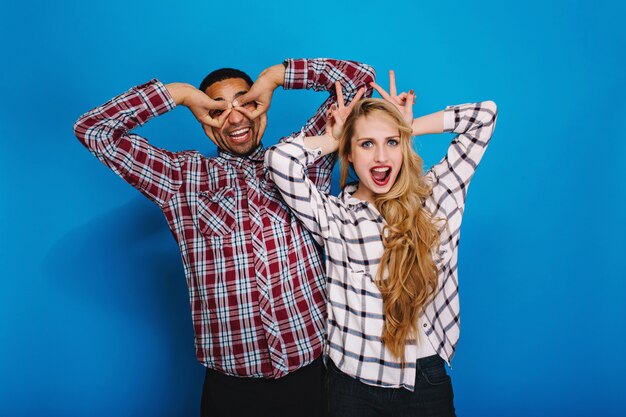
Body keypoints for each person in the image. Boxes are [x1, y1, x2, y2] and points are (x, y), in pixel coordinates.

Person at [73, 58, 375, 417]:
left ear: (260, 106)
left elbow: (360, 80)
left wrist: (275, 77)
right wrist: (182, 94)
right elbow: (94, 130)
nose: (234, 119)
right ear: (203, 121)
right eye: (217, 109)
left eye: (245, 103)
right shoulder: (180, 180)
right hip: (232, 388)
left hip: (315, 373)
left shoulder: (305, 158)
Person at [265, 72, 498, 416]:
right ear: (350, 152)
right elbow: (279, 161)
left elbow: (484, 116)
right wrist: (334, 139)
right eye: (366, 144)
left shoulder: (435, 197)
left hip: (425, 380)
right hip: (352, 383)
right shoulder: (333, 216)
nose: (381, 158)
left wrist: (407, 127)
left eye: (391, 143)